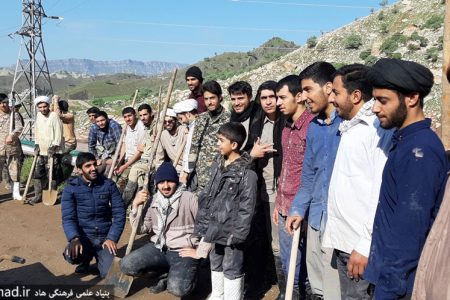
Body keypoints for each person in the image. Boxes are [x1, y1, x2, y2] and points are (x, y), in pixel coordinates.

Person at [363, 58, 449, 299]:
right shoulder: (405, 142)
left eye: (383, 101)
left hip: (400, 285)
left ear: (412, 98)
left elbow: (409, 234)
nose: (375, 108)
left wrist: (388, 290)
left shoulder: (419, 151)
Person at [321, 64, 393, 299]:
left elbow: (379, 193)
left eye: (336, 93)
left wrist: (364, 245)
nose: (331, 99)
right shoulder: (350, 127)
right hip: (344, 241)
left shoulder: (375, 130)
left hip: (359, 247)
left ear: (356, 96)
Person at [286, 61, 342, 300]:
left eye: (308, 90)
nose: (304, 97)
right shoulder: (315, 128)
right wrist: (298, 209)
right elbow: (308, 176)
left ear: (328, 88)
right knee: (318, 288)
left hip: (339, 225)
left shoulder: (348, 126)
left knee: (336, 291)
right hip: (317, 220)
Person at [193, 122, 257, 300]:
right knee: (216, 262)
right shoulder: (217, 166)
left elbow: (247, 207)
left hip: (231, 232)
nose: (217, 144)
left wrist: (238, 234)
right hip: (215, 227)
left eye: (221, 141)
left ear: (234, 145)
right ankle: (218, 295)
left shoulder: (247, 174)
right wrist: (204, 226)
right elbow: (208, 196)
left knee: (231, 267)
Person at [120, 162, 200, 297]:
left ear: (176, 181)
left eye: (170, 181)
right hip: (159, 248)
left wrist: (199, 250)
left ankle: (191, 274)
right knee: (126, 265)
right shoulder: (153, 200)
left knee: (178, 289)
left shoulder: (189, 198)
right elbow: (141, 228)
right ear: (156, 184)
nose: (166, 186)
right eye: (162, 182)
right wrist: (135, 205)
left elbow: (206, 226)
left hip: (183, 251)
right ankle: (165, 274)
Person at [273, 75, 315, 298]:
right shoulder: (286, 129)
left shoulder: (311, 128)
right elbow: (286, 170)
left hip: (301, 212)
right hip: (283, 207)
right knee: (289, 264)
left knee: (303, 269)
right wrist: (278, 205)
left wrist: (303, 210)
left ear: (299, 97)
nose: (278, 103)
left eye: (282, 97)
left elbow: (311, 175)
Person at [61, 152, 125, 278]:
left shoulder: (108, 185)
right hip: (84, 237)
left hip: (104, 238)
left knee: (109, 274)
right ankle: (85, 261)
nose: (93, 168)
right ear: (79, 170)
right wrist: (74, 238)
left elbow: (119, 213)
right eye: (88, 166)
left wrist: (112, 237)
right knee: (72, 255)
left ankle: (101, 259)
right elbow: (68, 218)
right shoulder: (70, 189)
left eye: (94, 164)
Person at [249, 81, 285, 293]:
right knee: (266, 239)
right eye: (264, 98)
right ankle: (271, 278)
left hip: (278, 191)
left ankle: (285, 288)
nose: (269, 101)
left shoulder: (286, 122)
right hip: (261, 190)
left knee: (278, 243)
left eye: (272, 96)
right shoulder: (258, 123)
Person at [186, 80, 231, 193]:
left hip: (220, 179)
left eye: (212, 98)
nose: (209, 102)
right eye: (206, 99)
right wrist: (189, 171)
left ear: (220, 97)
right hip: (201, 180)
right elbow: (194, 146)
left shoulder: (228, 119)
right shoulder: (201, 119)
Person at [27, 95, 65, 205]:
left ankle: (52, 194)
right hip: (42, 150)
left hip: (53, 151)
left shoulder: (54, 116)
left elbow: (59, 132)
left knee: (52, 175)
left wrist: (54, 146)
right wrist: (36, 144)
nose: (43, 109)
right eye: (40, 107)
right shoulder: (38, 116)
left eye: (45, 106)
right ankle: (37, 195)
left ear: (48, 106)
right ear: (37, 108)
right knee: (38, 174)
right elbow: (37, 131)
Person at [122, 104, 156, 206]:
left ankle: (124, 204)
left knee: (135, 170)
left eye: (145, 115)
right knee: (140, 180)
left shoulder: (155, 127)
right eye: (141, 115)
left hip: (152, 160)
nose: (143, 118)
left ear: (151, 114)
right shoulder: (146, 127)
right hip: (144, 159)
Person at [114, 107, 145, 191]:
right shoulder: (126, 127)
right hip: (127, 160)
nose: (127, 119)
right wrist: (120, 163)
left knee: (121, 182)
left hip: (137, 161)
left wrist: (124, 166)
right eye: (125, 117)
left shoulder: (141, 128)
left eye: (129, 116)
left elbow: (139, 152)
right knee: (113, 178)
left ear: (135, 115)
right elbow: (124, 145)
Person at [0, 93, 23, 200]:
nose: (3, 105)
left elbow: (19, 127)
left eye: (5, 102)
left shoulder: (14, 114)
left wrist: (12, 135)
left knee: (15, 169)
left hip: (12, 147)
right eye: (0, 103)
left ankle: (16, 192)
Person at [228, 81, 263, 151]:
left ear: (250, 97)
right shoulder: (232, 118)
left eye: (240, 98)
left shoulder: (259, 115)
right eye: (233, 99)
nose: (236, 103)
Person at [87, 110, 122, 175]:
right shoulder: (94, 127)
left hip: (116, 155)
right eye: (98, 121)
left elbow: (120, 145)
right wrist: (96, 159)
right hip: (105, 154)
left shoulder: (114, 126)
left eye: (102, 120)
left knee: (107, 173)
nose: (100, 123)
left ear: (107, 119)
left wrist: (116, 159)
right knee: (96, 171)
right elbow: (91, 145)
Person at [173, 99, 199, 185]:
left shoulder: (196, 128)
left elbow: (191, 151)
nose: (181, 122)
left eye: (181, 118)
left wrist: (185, 173)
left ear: (188, 114)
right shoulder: (190, 127)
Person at [155, 108, 187, 174]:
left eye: (169, 121)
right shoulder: (162, 135)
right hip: (175, 167)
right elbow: (159, 158)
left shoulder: (184, 131)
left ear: (175, 120)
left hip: (186, 166)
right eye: (164, 122)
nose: (167, 124)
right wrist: (159, 172)